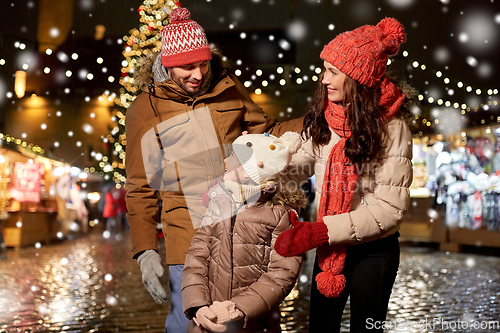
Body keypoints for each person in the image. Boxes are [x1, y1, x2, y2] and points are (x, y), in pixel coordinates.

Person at [124, 7, 303, 333]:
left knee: (241, 322)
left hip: (241, 230)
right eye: (187, 66)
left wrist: (317, 121)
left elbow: (268, 133)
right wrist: (146, 251)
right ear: (167, 63)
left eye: (203, 63)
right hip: (187, 237)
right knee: (187, 324)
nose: (197, 74)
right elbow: (140, 186)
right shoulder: (144, 110)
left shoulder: (228, 89)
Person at [274, 17, 415, 332]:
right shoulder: (328, 118)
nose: (324, 80)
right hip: (331, 248)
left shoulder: (393, 129)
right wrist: (260, 174)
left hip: (373, 251)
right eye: (324, 70)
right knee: (321, 327)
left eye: (332, 72)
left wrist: (319, 232)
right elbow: (300, 164)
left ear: (356, 77)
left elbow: (388, 210)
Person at [182, 132, 306, 333]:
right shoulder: (219, 201)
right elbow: (196, 257)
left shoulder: (281, 214)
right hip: (207, 320)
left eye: (232, 158)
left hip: (253, 325)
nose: (225, 161)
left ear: (250, 170)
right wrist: (198, 306)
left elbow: (282, 274)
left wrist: (238, 308)